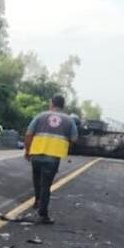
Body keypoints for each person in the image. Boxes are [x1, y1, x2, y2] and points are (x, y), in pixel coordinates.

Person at [23, 94, 78, 224]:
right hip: (53, 157)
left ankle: (37, 201)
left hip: (36, 154)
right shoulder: (69, 120)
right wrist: (65, 146)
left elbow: (29, 133)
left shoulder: (40, 116)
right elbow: (74, 139)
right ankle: (43, 214)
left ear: (51, 103)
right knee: (46, 185)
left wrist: (27, 150)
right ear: (63, 105)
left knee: (37, 180)